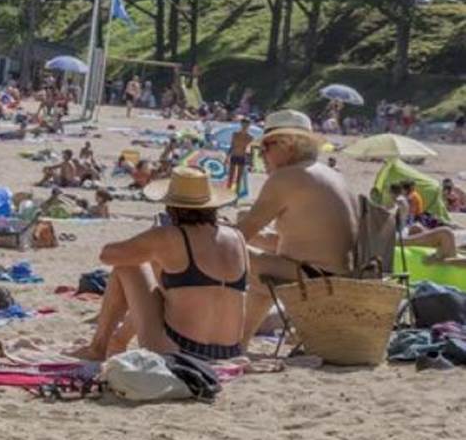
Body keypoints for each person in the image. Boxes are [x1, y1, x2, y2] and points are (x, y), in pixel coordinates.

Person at [74, 167, 248, 361]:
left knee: (130, 266)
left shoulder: (169, 236)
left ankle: (98, 348)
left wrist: (151, 240)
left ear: (171, 206)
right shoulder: (237, 236)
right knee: (170, 283)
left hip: (182, 350)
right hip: (230, 352)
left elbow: (107, 255)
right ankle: (118, 341)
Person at [234, 110, 358, 342]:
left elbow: (243, 233)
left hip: (315, 278)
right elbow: (297, 240)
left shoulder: (287, 177)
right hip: (341, 277)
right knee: (261, 276)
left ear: (287, 145)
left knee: (228, 254)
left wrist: (206, 236)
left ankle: (210, 330)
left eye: (266, 148)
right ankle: (238, 340)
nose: (262, 156)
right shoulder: (329, 174)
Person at [226, 118, 254, 190]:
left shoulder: (250, 137)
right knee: (231, 176)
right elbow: (232, 146)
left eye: (247, 125)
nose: (245, 126)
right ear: (241, 124)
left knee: (239, 177)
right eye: (243, 124)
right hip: (234, 155)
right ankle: (228, 191)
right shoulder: (235, 134)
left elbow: (250, 151)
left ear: (249, 126)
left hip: (242, 157)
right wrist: (227, 157)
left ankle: (237, 193)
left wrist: (251, 162)